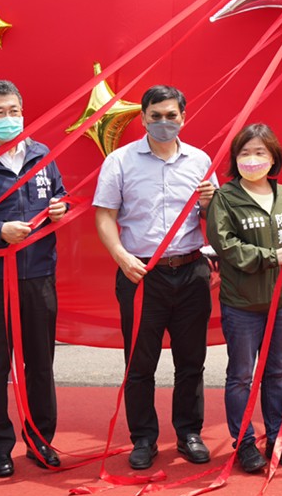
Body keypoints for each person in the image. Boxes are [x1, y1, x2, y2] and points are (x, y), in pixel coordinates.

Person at [93, 85, 217, 470]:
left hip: (191, 270)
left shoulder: (200, 161)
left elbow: (213, 221)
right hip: (141, 273)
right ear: (143, 117)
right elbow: (104, 215)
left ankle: (188, 432)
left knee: (191, 361)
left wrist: (211, 203)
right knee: (140, 363)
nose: (164, 123)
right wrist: (121, 257)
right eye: (156, 116)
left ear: (184, 117)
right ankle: (143, 438)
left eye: (171, 116)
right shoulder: (120, 161)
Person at [0, 79, 68, 478]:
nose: (8, 119)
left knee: (40, 360)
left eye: (14, 111)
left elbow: (61, 194)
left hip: (38, 274)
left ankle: (41, 440)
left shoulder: (40, 153)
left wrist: (59, 208)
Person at [208, 124, 282, 472]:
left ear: (273, 158)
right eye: (245, 153)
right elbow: (226, 247)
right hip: (241, 304)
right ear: (235, 158)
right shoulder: (225, 197)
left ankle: (278, 437)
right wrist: (270, 257)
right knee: (240, 374)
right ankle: (244, 444)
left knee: (277, 372)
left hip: (280, 302)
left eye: (260, 153)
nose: (252, 160)